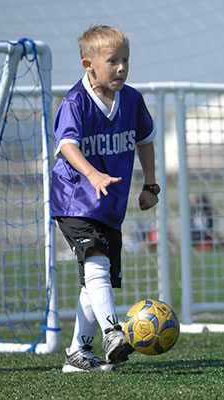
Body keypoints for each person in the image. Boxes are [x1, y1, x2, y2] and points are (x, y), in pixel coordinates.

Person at [51, 25, 160, 372]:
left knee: (97, 276)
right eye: (112, 61)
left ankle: (77, 353)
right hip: (73, 198)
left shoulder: (132, 100)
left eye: (125, 60)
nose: (122, 68)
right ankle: (112, 331)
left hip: (109, 205)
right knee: (95, 258)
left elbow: (145, 139)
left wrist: (150, 185)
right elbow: (67, 145)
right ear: (89, 65)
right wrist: (92, 174)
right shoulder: (75, 102)